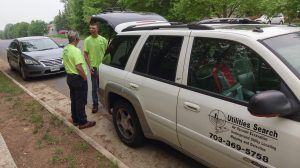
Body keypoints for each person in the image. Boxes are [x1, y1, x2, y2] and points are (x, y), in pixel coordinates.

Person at [63, 31, 96, 129]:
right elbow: (78, 67)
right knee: (80, 101)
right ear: (77, 39)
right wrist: (84, 77)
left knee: (74, 100)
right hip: (78, 78)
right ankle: (83, 122)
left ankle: (75, 119)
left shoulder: (65, 49)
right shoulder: (75, 50)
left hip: (70, 77)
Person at [84, 23, 108, 113]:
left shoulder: (103, 40)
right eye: (90, 28)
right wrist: (89, 66)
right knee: (95, 88)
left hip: (103, 68)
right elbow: (85, 54)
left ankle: (106, 103)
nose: (91, 29)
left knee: (103, 86)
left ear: (97, 29)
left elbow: (107, 53)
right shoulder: (87, 40)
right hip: (93, 67)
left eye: (93, 28)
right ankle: (95, 105)